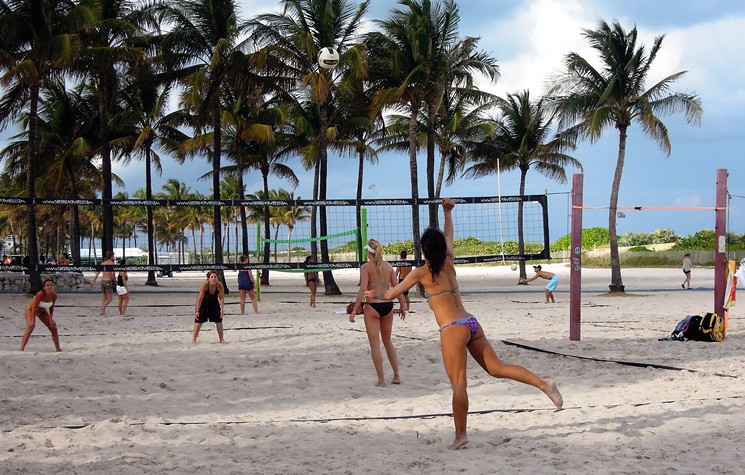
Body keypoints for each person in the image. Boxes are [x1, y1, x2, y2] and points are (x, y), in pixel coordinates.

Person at [366, 198, 562, 450]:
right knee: (497, 367)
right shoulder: (449, 262)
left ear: (424, 250)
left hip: (453, 328)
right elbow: (449, 237)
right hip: (471, 323)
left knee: (458, 384)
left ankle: (461, 435)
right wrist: (447, 212)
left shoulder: (420, 271)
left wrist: (373, 296)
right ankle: (545, 384)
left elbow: (392, 295)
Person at [348, 240, 407, 387]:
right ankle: (397, 375)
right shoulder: (388, 267)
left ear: (369, 252)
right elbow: (397, 287)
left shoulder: (366, 267)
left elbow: (362, 289)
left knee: (375, 345)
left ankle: (381, 380)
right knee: (388, 342)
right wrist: (402, 305)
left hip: (373, 307)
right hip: (388, 307)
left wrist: (355, 309)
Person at [21, 279, 62, 352]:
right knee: (31, 326)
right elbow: (34, 307)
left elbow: (51, 308)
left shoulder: (54, 295)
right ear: (44, 287)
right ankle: (22, 348)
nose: (49, 287)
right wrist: (33, 320)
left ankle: (58, 348)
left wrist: (50, 319)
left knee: (53, 326)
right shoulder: (40, 294)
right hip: (31, 309)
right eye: (47, 285)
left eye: (51, 285)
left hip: (42, 311)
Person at [193, 270, 226, 344]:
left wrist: (222, 309)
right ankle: (193, 339)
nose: (214, 278)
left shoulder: (219, 285)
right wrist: (197, 311)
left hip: (214, 302)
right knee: (199, 320)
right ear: (208, 278)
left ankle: (221, 339)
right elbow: (200, 298)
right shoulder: (205, 285)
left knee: (219, 320)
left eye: (215, 277)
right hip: (203, 302)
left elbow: (221, 298)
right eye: (212, 277)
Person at [90, 251, 116, 315]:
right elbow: (113, 275)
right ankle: (102, 307)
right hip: (108, 281)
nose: (114, 257)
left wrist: (94, 281)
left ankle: (102, 312)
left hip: (102, 281)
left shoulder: (103, 263)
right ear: (111, 256)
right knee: (109, 299)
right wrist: (115, 282)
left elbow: (97, 273)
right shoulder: (112, 264)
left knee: (104, 297)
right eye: (113, 256)